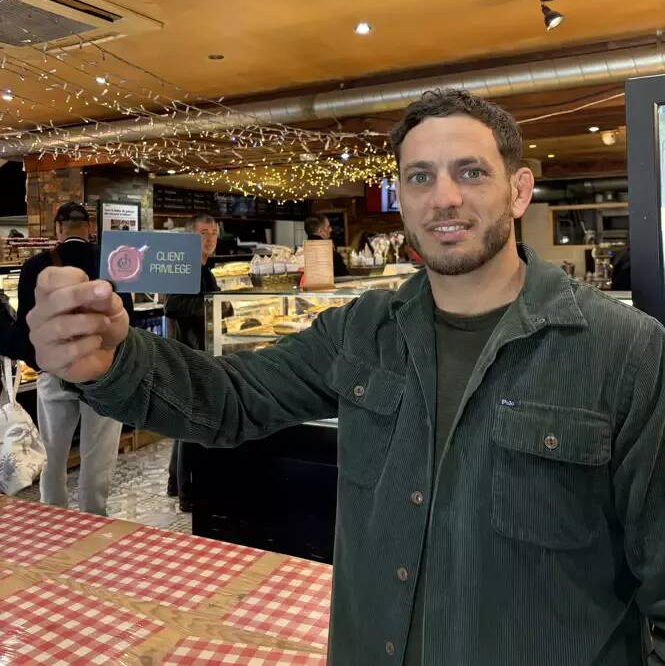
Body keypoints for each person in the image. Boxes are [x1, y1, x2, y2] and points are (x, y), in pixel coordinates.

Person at [26, 90, 665, 666]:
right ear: (402, 199)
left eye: (471, 172)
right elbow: (232, 400)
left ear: (519, 191)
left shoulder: (627, 352)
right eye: (420, 177)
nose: (444, 197)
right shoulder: (362, 330)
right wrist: (112, 361)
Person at [6, 201, 133, 516]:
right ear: (89, 227)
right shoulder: (111, 262)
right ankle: (93, 515)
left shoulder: (35, 266)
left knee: (52, 450)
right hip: (103, 372)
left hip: (56, 369)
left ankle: (54, 515)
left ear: (58, 228)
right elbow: (127, 318)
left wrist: (38, 363)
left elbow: (26, 326)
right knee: (98, 454)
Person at [164, 213, 232, 510]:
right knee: (192, 423)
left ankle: (175, 483)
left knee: (186, 422)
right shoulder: (188, 267)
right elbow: (173, 305)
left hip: (199, 350)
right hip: (189, 353)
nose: (210, 238)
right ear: (191, 236)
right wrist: (217, 304)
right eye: (204, 232)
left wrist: (220, 306)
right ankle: (188, 493)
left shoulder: (205, 269)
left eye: (213, 233)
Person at [304, 213, 349, 277]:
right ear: (320, 231)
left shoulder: (301, 253)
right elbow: (344, 277)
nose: (331, 229)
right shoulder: (330, 254)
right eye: (328, 227)